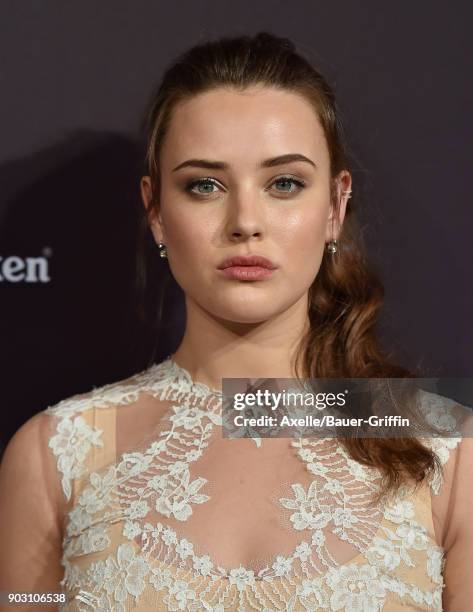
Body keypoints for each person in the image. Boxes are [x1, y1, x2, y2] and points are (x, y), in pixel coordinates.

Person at [0, 31, 472, 612]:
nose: (245, 221)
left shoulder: (449, 449)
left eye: (284, 184)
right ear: (155, 211)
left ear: (335, 206)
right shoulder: (54, 453)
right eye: (205, 185)